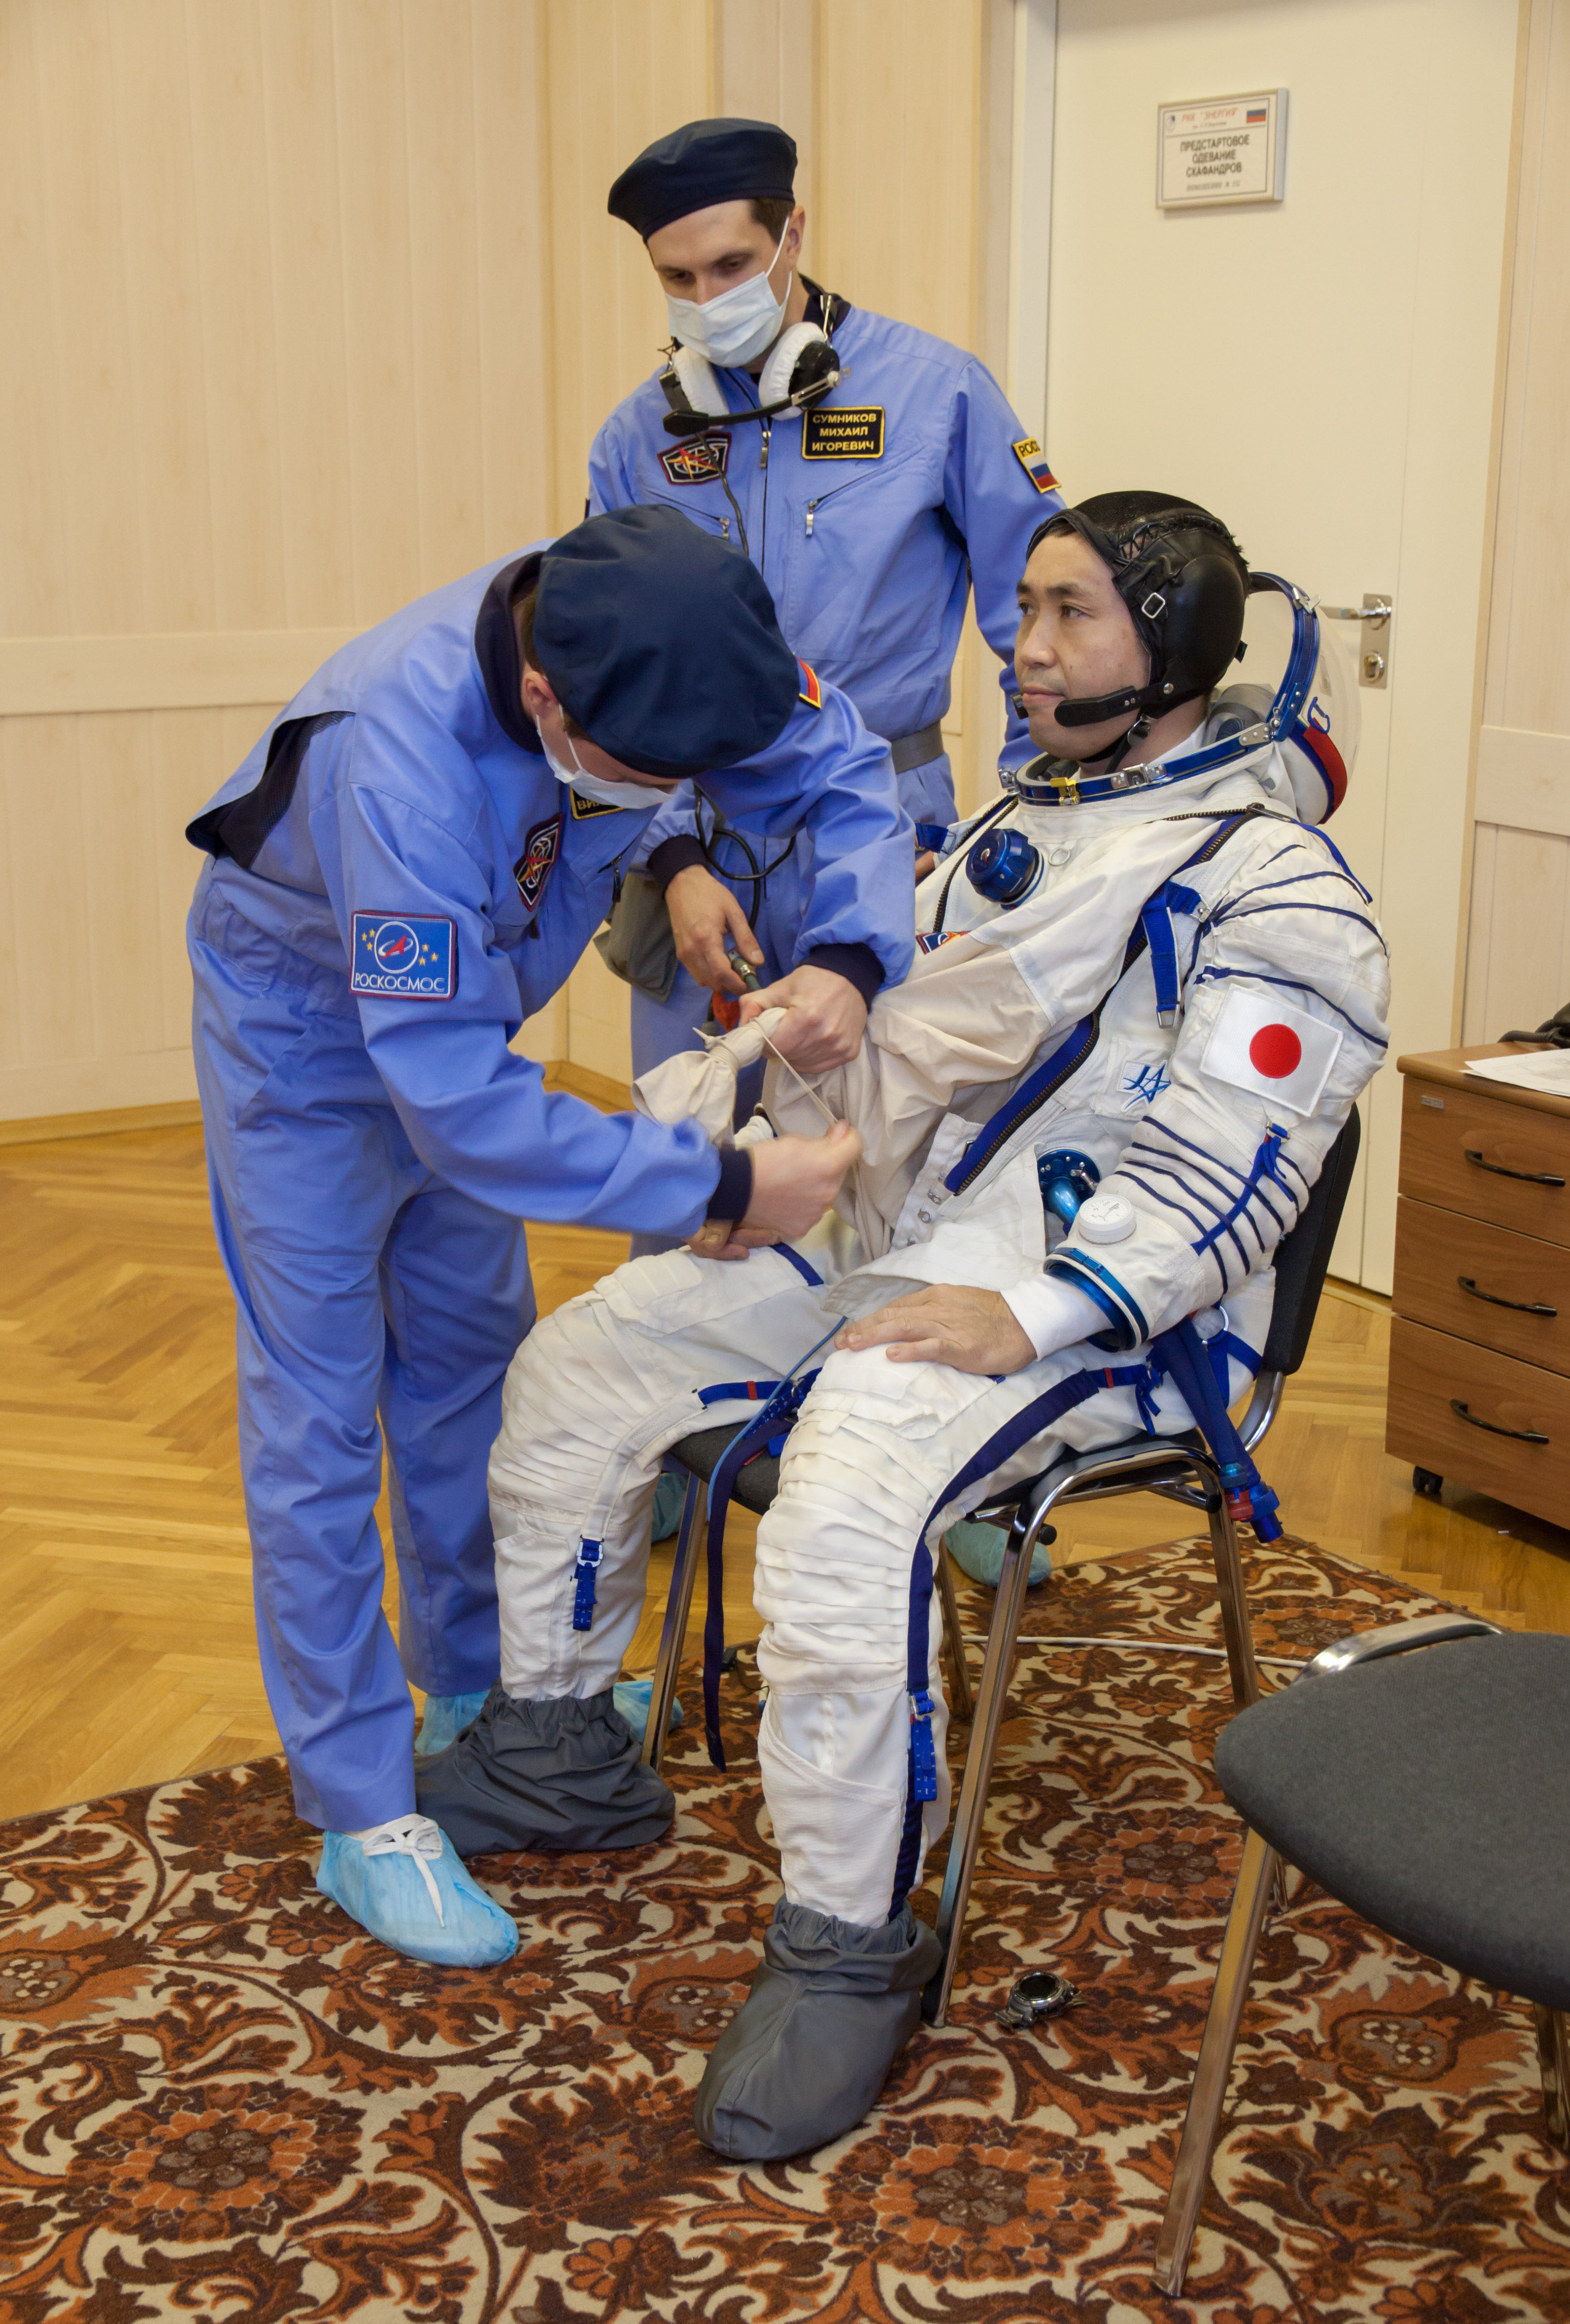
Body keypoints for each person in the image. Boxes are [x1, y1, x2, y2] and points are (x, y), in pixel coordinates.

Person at [416, 490, 1388, 2151]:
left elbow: (1235, 1167)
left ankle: (852, 1945)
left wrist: (1035, 1308)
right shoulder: (1029, 827)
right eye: (1022, 607)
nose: (1022, 646)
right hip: (902, 1237)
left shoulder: (1277, 890)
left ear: (1173, 655)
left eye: (1072, 615)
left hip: (1109, 1323)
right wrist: (820, 1026)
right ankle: (563, 1742)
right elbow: (930, 1045)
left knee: (849, 1485)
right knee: (584, 1365)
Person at [184, 505, 908, 1968]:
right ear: (541, 702)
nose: (676, 796)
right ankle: (359, 1806)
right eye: (656, 783)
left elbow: (845, 772)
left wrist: (850, 950)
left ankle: (473, 1692)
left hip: (470, 1028)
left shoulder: (682, 622)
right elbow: (449, 1101)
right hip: (306, 1039)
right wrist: (716, 1188)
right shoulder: (400, 754)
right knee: (321, 1410)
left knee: (466, 1365)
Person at [590, 115, 1065, 1252]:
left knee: (888, 1187)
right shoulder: (636, 440)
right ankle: (691, 1425)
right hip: (698, 869)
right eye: (677, 278)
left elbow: (1041, 624)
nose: (708, 297)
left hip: (892, 840)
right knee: (691, 1191)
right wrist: (671, 857)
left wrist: (1012, 832)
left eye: (733, 266)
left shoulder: (938, 395)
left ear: (793, 232)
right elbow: (609, 677)